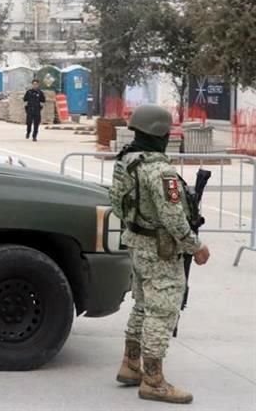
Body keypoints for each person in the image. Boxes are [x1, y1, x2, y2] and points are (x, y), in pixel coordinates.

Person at [109, 103, 210, 404]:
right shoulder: (161, 171)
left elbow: (116, 204)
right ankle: (153, 380)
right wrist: (196, 246)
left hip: (137, 243)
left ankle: (131, 364)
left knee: (142, 304)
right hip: (161, 249)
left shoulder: (126, 162)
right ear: (160, 134)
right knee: (162, 310)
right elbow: (174, 219)